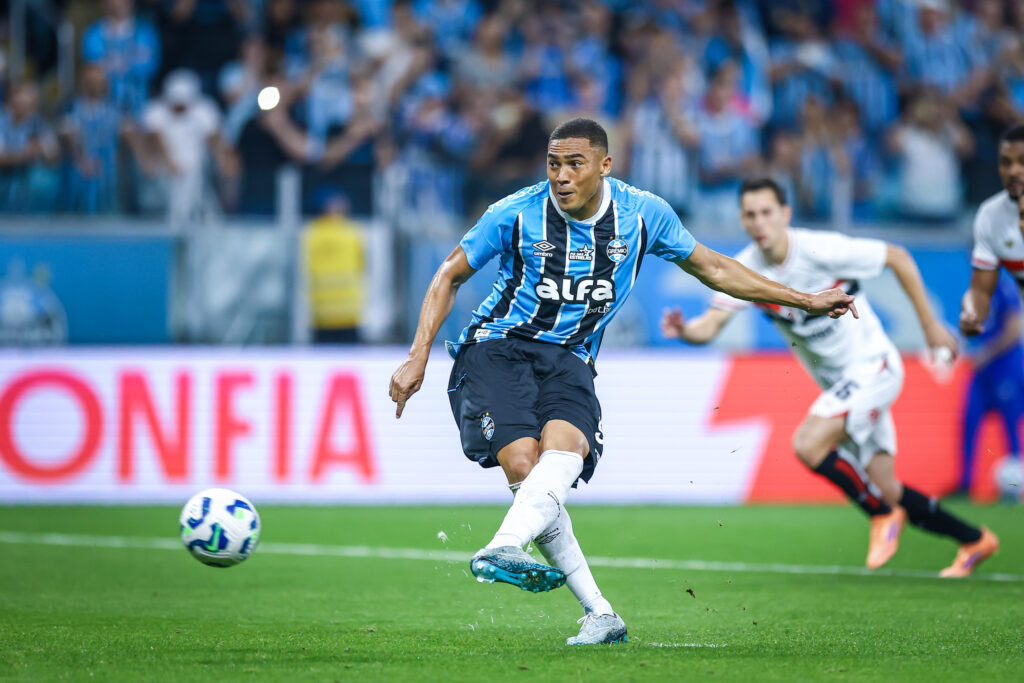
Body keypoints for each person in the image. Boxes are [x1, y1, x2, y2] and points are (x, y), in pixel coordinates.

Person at [389, 118, 855, 646]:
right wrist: (417, 354)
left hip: (570, 356)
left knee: (564, 452)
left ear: (604, 166)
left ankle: (559, 585)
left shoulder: (642, 215)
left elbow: (717, 269)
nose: (561, 176)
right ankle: (564, 586)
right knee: (524, 464)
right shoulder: (515, 213)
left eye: (574, 164)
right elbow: (449, 272)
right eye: (553, 164)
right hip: (499, 347)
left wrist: (806, 297)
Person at [662, 177, 999, 578]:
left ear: (785, 214)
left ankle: (882, 516)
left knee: (807, 443)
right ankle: (974, 539)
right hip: (845, 388)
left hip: (875, 366)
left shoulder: (820, 250)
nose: (759, 222)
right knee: (887, 485)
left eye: (767, 212)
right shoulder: (747, 269)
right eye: (750, 215)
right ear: (742, 219)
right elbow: (710, 326)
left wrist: (928, 326)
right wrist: (685, 331)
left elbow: (898, 257)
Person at [960, 271, 1024, 498]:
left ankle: (1015, 489)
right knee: (968, 420)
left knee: (1011, 427)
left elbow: (1014, 329)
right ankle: (965, 484)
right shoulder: (976, 288)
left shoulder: (1005, 287)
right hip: (983, 370)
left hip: (1006, 367)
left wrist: (987, 352)